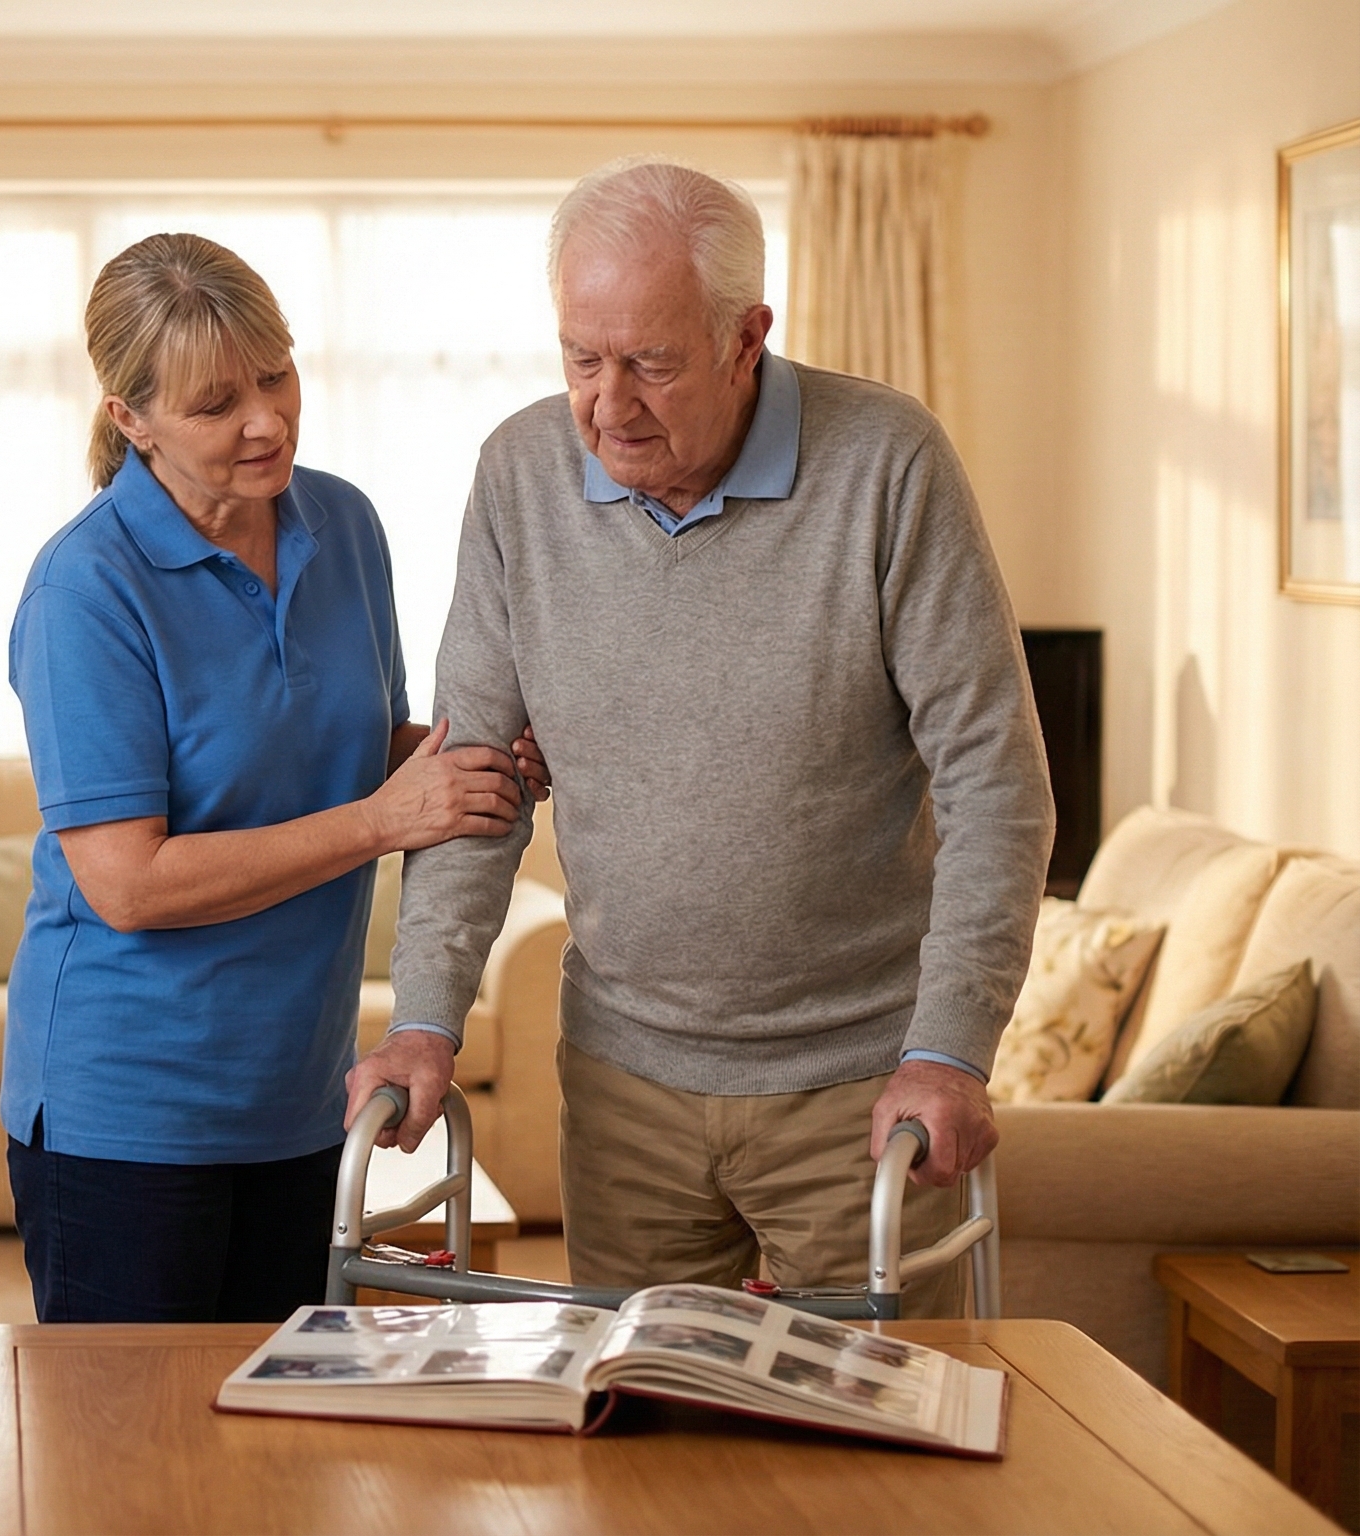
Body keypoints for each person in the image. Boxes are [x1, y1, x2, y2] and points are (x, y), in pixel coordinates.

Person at [353, 159, 1055, 1314]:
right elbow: (471, 782)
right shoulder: (518, 476)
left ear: (746, 337)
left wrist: (951, 1046)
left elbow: (995, 784)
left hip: (863, 1081)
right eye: (582, 358)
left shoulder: (887, 464)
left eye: (652, 363)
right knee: (642, 1450)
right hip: (625, 1078)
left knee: (885, 1453)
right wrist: (424, 1020)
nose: (608, 406)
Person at [4, 233, 548, 1325]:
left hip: (299, 1093)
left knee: (280, 1449)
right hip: (130, 1107)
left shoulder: (340, 523)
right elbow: (128, 884)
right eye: (215, 404)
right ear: (131, 420)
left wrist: (465, 760)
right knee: (133, 1471)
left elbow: (346, 740)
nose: (266, 420)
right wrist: (380, 820)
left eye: (274, 375)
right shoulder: (86, 588)